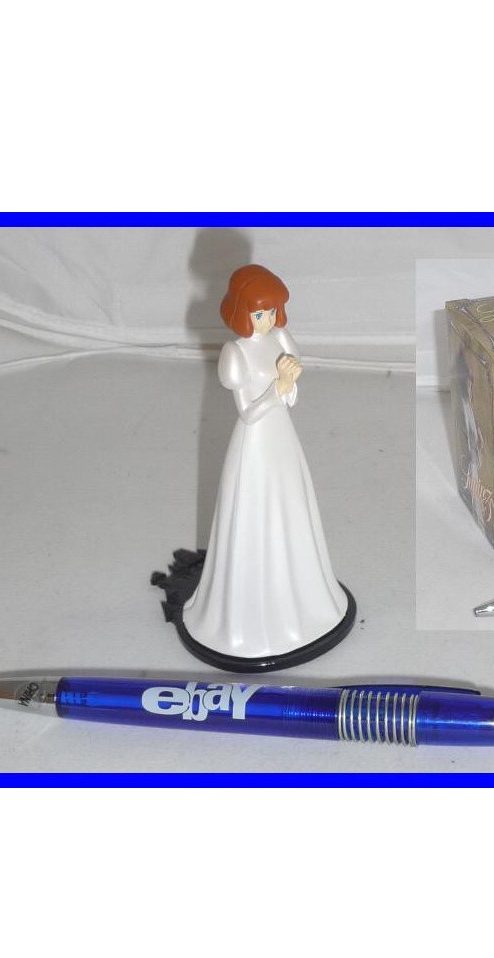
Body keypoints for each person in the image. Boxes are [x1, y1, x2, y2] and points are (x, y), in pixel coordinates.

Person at [181, 265, 353, 665]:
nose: (268, 319)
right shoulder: (235, 353)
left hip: (281, 437)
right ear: (242, 311)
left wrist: (287, 387)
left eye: (273, 311)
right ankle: (250, 613)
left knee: (290, 504)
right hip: (255, 443)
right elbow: (248, 413)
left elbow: (292, 383)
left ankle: (304, 595)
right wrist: (278, 389)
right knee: (255, 512)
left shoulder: (280, 337)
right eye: (260, 313)